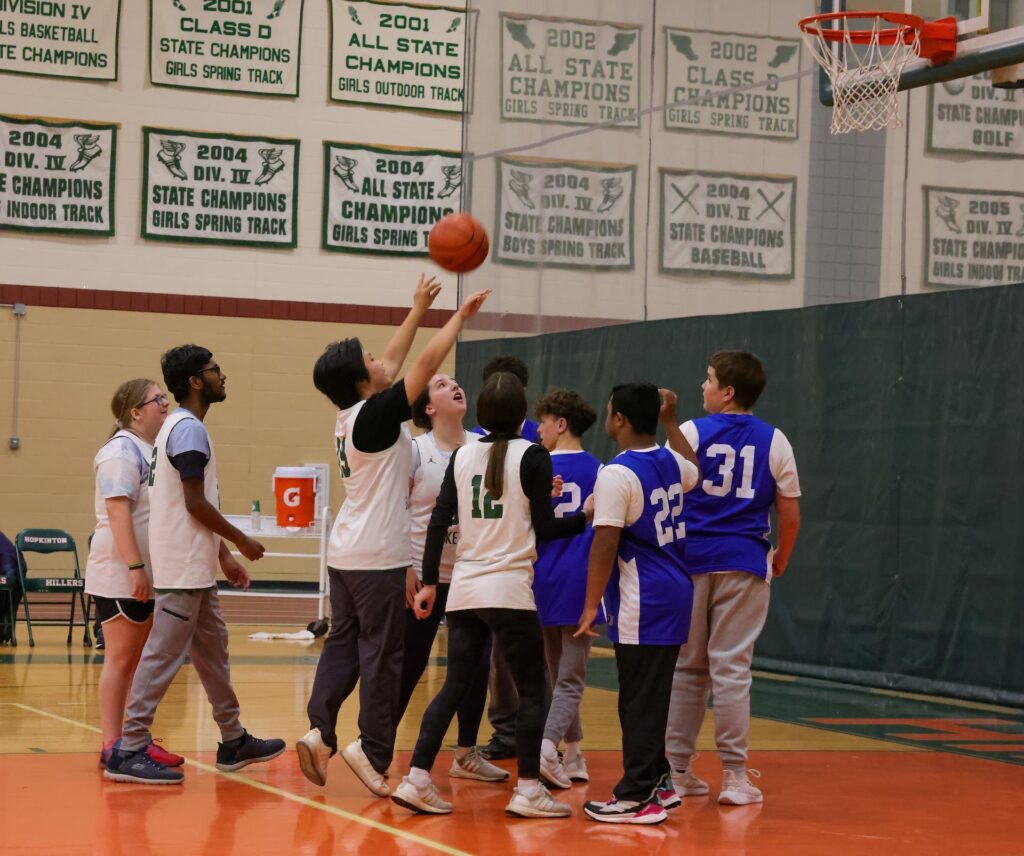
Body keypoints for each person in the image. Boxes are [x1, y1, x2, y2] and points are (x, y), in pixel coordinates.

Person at [296, 278, 491, 797]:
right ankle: (374, 750)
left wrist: (418, 308)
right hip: (378, 553)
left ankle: (319, 730)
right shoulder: (378, 417)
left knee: (343, 644)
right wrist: (456, 318)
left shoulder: (351, 415)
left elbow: (393, 357)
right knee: (384, 653)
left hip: (345, 553)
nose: (383, 362)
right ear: (364, 380)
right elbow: (422, 365)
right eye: (371, 361)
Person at [391, 372, 592, 818]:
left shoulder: (462, 455)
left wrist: (428, 582)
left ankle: (417, 778)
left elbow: (439, 522)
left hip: (463, 587)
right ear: (523, 416)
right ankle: (527, 789)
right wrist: (583, 517)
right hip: (509, 588)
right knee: (533, 688)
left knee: (453, 685)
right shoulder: (535, 454)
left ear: (482, 413)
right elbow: (544, 528)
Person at [105, 346, 285, 784]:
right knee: (161, 658)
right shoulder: (187, 430)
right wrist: (239, 539)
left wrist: (221, 556)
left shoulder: (180, 429)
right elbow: (193, 502)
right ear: (196, 381)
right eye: (215, 369)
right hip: (182, 569)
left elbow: (192, 505)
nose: (224, 375)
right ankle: (128, 749)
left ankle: (233, 739)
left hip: (195, 567)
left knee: (214, 655)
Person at [665, 351, 801, 806]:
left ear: (727, 392)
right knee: (731, 669)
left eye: (708, 379)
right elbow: (789, 509)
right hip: (745, 559)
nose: (702, 386)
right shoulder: (774, 439)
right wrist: (782, 554)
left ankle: (676, 770)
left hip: (690, 560)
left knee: (688, 668)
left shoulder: (688, 432)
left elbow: (667, 490)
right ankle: (736, 778)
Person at [576, 383, 699, 824]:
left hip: (644, 598)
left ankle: (636, 796)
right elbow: (694, 468)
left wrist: (590, 605)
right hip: (676, 591)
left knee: (638, 700)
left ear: (620, 420)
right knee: (652, 694)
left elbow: (604, 543)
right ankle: (660, 782)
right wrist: (671, 422)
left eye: (610, 411)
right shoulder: (669, 460)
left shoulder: (616, 473)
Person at [398, 373, 506, 783]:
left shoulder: (483, 445)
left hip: (471, 575)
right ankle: (378, 746)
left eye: (457, 382)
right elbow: (395, 507)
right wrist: (405, 567)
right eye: (442, 385)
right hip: (423, 576)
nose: (456, 385)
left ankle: (466, 753)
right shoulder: (415, 450)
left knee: (475, 668)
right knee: (410, 664)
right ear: (428, 408)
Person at [85, 379, 185, 770]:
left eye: (165, 397)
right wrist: (134, 566)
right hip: (120, 571)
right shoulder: (120, 451)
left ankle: (136, 739)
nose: (166, 403)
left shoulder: (152, 450)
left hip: (147, 572)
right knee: (122, 659)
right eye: (157, 399)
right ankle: (113, 746)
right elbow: (117, 511)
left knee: (142, 661)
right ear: (135, 412)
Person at [531, 388, 602, 789]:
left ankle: (573, 756)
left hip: (541, 579)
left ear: (561, 424)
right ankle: (549, 748)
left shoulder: (533, 465)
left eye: (543, 421)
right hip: (580, 581)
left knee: (559, 675)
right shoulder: (601, 469)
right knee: (569, 678)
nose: (538, 429)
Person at [472, 355, 536, 761]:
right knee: (502, 658)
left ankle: (524, 735)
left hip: (504, 562)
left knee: (508, 657)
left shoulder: (533, 441)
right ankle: (518, 735)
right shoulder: (472, 443)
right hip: (503, 562)